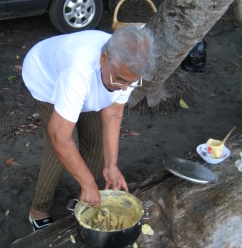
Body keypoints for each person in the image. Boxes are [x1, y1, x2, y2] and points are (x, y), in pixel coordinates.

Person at [22, 24, 155, 231]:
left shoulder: (126, 71)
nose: (124, 88)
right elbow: (59, 136)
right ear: (104, 59)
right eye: (120, 80)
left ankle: (84, 201)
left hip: (88, 84)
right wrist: (88, 183)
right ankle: (38, 211)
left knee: (95, 140)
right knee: (59, 151)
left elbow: (113, 113)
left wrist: (111, 165)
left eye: (130, 83)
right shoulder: (78, 72)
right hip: (45, 78)